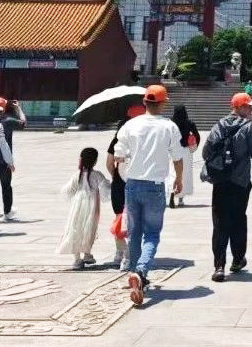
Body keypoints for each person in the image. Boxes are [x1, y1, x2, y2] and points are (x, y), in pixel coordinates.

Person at [114, 85, 183, 306]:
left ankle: (135, 273)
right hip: (155, 185)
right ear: (163, 104)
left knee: (134, 233)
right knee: (152, 234)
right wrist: (179, 179)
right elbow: (178, 157)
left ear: (144, 102)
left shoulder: (130, 125)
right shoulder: (169, 126)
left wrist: (125, 171)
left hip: (132, 184)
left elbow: (118, 154)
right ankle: (141, 271)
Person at [203, 92, 252, 282]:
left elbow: (205, 152)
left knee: (220, 222)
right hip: (240, 181)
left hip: (220, 180)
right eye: (248, 106)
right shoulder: (249, 127)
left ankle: (219, 266)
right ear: (239, 107)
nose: (251, 110)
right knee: (238, 220)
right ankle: (237, 259)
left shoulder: (218, 125)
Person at [56, 148, 111, 269]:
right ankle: (87, 253)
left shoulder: (77, 175)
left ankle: (77, 259)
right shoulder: (97, 175)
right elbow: (106, 188)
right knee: (89, 228)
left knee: (75, 227)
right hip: (92, 205)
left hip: (78, 204)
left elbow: (67, 190)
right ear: (95, 161)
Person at [106, 104, 145, 271]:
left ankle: (119, 252)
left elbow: (109, 163)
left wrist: (116, 177)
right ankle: (130, 256)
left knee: (119, 218)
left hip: (119, 184)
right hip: (138, 182)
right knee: (135, 220)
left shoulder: (117, 139)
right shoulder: (142, 139)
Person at [168, 106, 200, 209]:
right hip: (185, 151)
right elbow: (197, 136)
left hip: (173, 150)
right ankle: (181, 198)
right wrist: (193, 147)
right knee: (185, 173)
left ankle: (172, 191)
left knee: (173, 172)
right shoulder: (189, 123)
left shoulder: (170, 123)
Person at [0, 97, 26, 221]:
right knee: (6, 186)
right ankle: (7, 212)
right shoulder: (8, 121)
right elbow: (23, 123)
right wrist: (18, 108)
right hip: (4, 161)